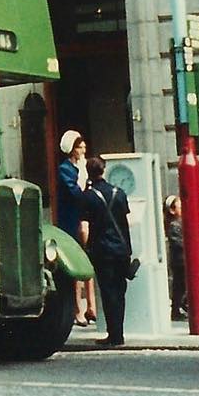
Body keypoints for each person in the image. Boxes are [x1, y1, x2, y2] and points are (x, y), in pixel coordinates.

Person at [81, 156, 133, 347]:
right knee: (120, 292)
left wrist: (86, 249)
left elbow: (84, 228)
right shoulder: (119, 193)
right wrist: (128, 250)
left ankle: (114, 335)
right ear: (104, 170)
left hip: (102, 251)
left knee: (108, 292)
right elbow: (125, 225)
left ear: (88, 172)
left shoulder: (88, 197)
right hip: (121, 249)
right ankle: (119, 333)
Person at [56, 130, 95, 327]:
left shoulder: (83, 167)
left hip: (84, 217)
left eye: (84, 147)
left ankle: (91, 306)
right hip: (70, 220)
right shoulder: (65, 169)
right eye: (80, 147)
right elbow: (75, 192)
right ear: (71, 149)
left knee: (89, 260)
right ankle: (78, 309)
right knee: (77, 264)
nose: (83, 151)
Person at [164, 194, 187, 321]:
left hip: (182, 259)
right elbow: (177, 242)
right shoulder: (174, 225)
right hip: (179, 260)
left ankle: (182, 304)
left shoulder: (181, 222)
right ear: (173, 210)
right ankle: (176, 309)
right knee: (179, 286)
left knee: (182, 286)